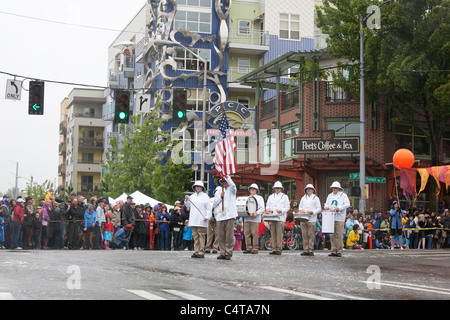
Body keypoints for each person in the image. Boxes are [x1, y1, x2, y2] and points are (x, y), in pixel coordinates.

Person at [185, 181, 212, 258]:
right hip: (193, 219)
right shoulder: (192, 196)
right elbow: (187, 205)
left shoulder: (205, 196)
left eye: (199, 186)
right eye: (196, 186)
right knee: (195, 236)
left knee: (201, 235)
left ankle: (201, 251)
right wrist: (186, 200)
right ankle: (196, 251)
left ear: (202, 188)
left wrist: (207, 216)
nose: (197, 188)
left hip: (202, 219)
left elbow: (208, 208)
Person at [324, 181, 351, 257]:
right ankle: (333, 250)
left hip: (339, 217)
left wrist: (339, 208)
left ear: (338, 189)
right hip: (331, 217)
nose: (334, 189)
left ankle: (339, 250)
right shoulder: (330, 196)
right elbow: (326, 203)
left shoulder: (343, 195)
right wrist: (326, 207)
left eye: (335, 188)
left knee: (339, 235)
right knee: (332, 235)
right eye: (333, 188)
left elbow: (347, 204)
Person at [214, 176, 238, 260]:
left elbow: (233, 186)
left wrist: (227, 177)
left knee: (229, 236)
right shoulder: (219, 191)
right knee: (221, 236)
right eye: (223, 182)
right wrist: (221, 197)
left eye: (226, 182)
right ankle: (222, 252)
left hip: (230, 215)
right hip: (220, 216)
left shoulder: (232, 191)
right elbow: (215, 203)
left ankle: (228, 252)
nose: (225, 183)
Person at [265, 181, 290, 255]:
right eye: (276, 188)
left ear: (281, 189)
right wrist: (268, 209)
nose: (277, 189)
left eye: (278, 188)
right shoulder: (271, 196)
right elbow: (267, 206)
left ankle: (279, 248)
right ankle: (274, 248)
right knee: (273, 233)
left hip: (280, 217)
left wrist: (281, 210)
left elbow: (287, 207)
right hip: (272, 217)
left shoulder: (284, 197)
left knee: (279, 234)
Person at [298, 184, 322, 256]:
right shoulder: (303, 198)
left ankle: (310, 250)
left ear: (312, 190)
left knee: (311, 235)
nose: (309, 190)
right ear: (306, 190)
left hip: (312, 219)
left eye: (310, 189)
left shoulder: (316, 198)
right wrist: (301, 210)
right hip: (303, 218)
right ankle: (305, 249)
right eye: (307, 189)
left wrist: (313, 212)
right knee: (304, 235)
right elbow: (300, 207)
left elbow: (319, 208)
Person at [243, 184, 265, 254]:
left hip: (255, 219)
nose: (252, 190)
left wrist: (257, 213)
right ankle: (248, 247)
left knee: (255, 234)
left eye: (254, 189)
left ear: (256, 190)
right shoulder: (247, 198)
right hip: (247, 218)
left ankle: (255, 248)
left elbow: (262, 208)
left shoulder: (260, 198)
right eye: (251, 189)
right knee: (247, 234)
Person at [205, 187, 220, 254]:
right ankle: (208, 247)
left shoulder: (221, 200)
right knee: (209, 234)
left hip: (217, 219)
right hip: (210, 219)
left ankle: (215, 248)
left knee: (217, 234)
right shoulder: (210, 199)